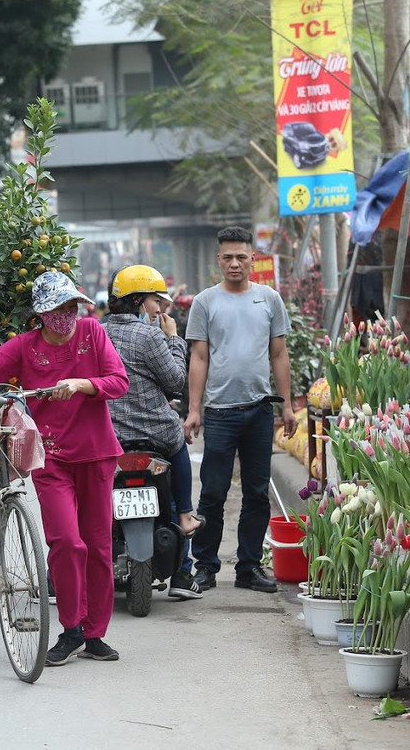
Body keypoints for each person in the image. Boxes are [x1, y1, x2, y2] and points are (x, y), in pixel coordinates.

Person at [0, 271, 129, 666]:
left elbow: (117, 380)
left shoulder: (92, 333)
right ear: (41, 313)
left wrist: (83, 384)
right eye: (57, 309)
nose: (66, 315)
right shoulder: (26, 347)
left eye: (71, 307)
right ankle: (71, 629)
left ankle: (95, 633)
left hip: (97, 455)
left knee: (99, 547)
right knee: (67, 542)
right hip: (50, 458)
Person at [184, 226, 297, 594]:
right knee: (213, 494)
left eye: (241, 257)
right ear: (219, 260)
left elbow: (278, 354)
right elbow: (199, 357)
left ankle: (249, 567)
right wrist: (194, 409)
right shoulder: (205, 302)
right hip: (219, 413)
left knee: (256, 492)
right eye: (228, 257)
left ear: (253, 259)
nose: (235, 263)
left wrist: (288, 406)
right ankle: (206, 568)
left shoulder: (268, 299)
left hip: (260, 411)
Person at [102, 265, 206, 600]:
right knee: (178, 458)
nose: (159, 307)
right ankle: (187, 521)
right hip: (156, 434)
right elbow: (176, 381)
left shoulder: (96, 332)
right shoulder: (150, 336)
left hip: (109, 435)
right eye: (154, 300)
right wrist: (173, 338)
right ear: (138, 302)